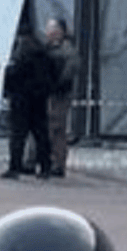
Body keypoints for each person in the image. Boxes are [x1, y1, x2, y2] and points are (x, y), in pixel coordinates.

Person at [1, 29, 57, 179]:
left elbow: (10, 78)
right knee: (41, 135)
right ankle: (45, 167)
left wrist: (8, 93)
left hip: (20, 102)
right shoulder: (45, 57)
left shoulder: (19, 58)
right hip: (39, 101)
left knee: (17, 136)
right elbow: (53, 77)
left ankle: (14, 168)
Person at [45, 19, 80, 179]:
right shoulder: (46, 47)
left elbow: (72, 67)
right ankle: (45, 160)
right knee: (48, 126)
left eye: (53, 28)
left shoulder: (67, 49)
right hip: (48, 92)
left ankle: (57, 163)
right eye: (48, 28)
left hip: (60, 93)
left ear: (61, 30)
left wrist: (58, 83)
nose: (49, 31)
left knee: (56, 127)